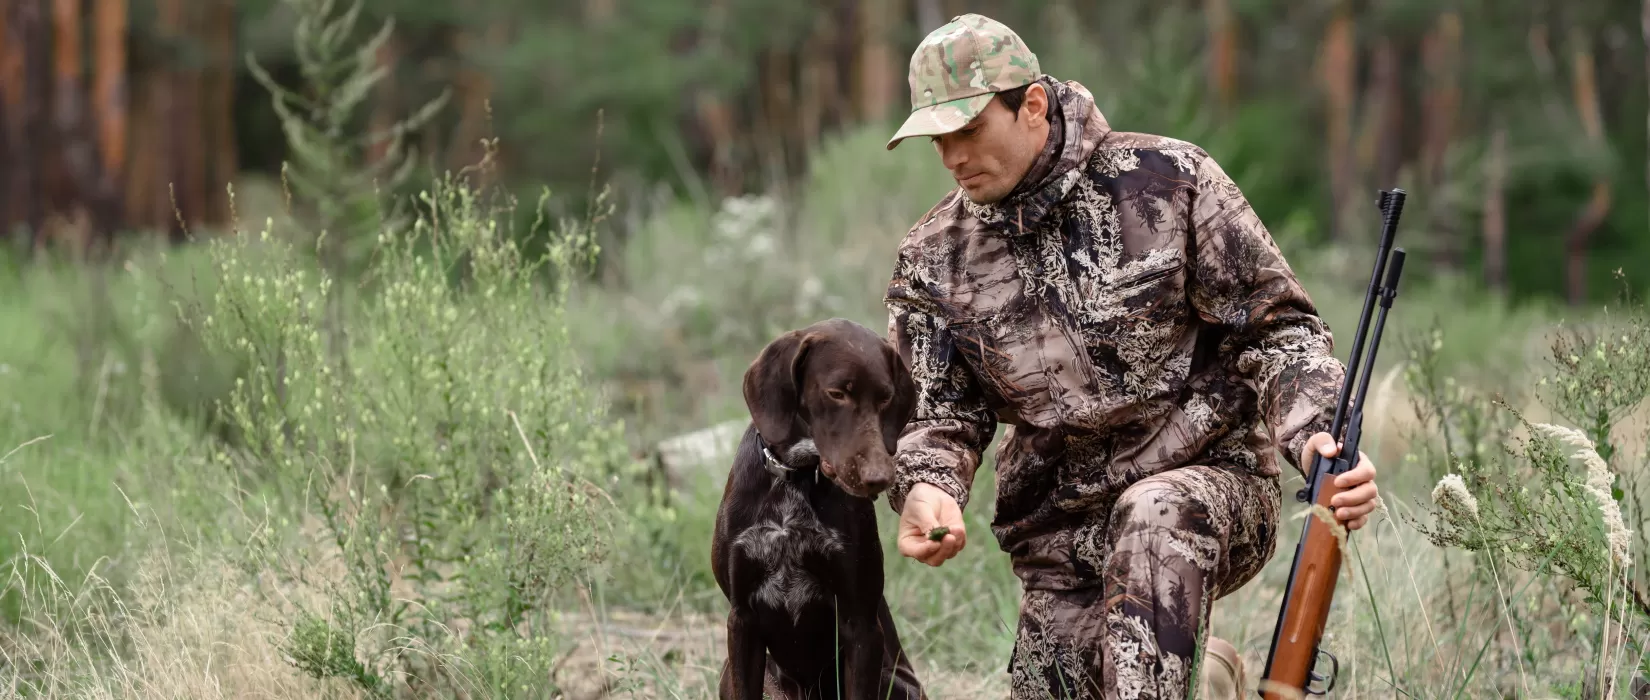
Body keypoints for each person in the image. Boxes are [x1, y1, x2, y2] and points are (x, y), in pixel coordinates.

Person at [880, 14, 1381, 700]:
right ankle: (1209, 675)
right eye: (937, 139)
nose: (951, 157)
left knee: (1154, 514)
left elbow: (1277, 331)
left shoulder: (1171, 181)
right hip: (1064, 536)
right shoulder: (933, 258)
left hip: (1207, 489)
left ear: (1031, 105)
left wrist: (1316, 433)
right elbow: (936, 415)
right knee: (1089, 679)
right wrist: (929, 486)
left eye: (968, 130)